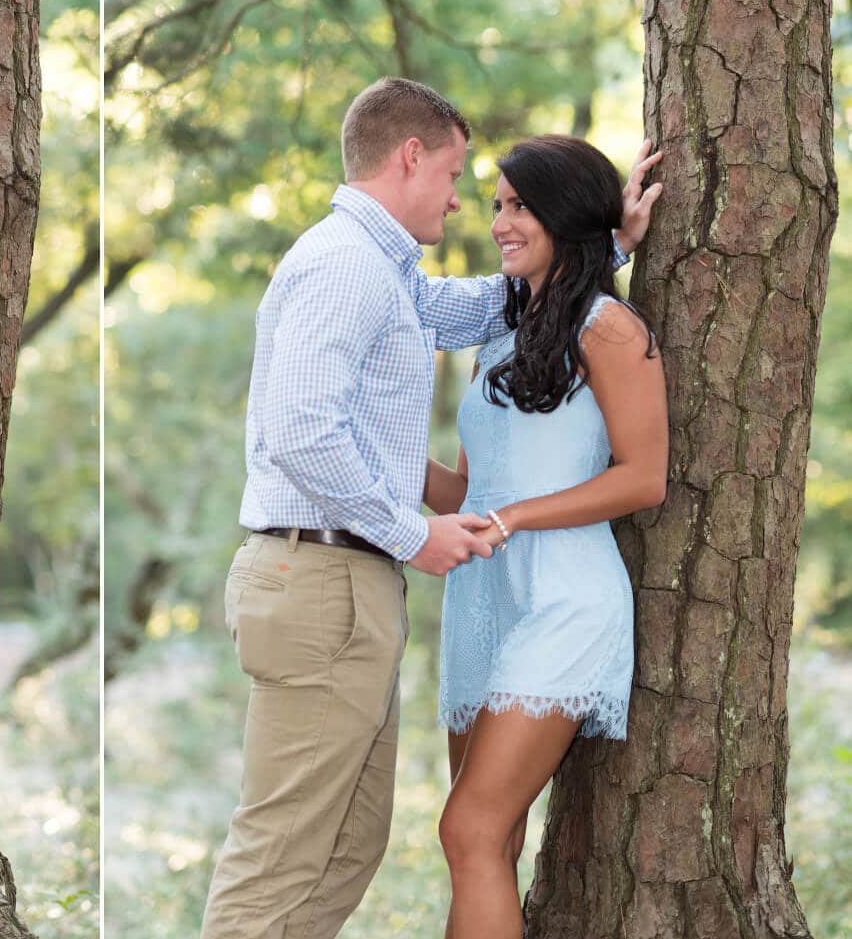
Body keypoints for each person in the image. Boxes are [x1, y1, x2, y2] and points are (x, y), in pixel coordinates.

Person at [199, 78, 663, 939]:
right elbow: (303, 430)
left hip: (383, 581)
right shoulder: (346, 264)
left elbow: (498, 302)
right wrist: (415, 531)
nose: (470, 209)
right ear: (411, 155)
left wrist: (604, 244)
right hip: (329, 575)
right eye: (463, 182)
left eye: (512, 203)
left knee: (346, 846)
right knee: (294, 849)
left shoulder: (391, 273)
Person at [425, 135, 667, 939]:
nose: (498, 221)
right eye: (497, 204)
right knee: (486, 838)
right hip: (480, 594)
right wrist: (380, 455)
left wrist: (516, 518)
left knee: (468, 830)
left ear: (564, 212)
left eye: (519, 205)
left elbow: (644, 477)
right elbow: (473, 489)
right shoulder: (498, 334)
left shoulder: (611, 328)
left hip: (563, 595)